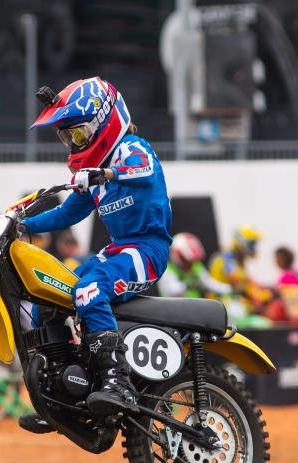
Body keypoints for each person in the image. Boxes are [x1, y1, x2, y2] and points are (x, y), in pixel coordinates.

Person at [18, 77, 171, 425]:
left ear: (105, 121)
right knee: (49, 295)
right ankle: (62, 395)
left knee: (88, 290)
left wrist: (105, 173)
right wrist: (22, 224)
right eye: (68, 137)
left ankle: (118, 382)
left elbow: (143, 170)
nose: (74, 143)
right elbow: (65, 214)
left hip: (147, 249)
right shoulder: (95, 173)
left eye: (79, 134)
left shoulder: (132, 148)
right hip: (117, 250)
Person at [158, 232, 231, 298]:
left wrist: (230, 289)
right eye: (187, 261)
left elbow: (209, 283)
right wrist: (190, 285)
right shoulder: (166, 268)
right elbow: (172, 290)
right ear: (177, 255)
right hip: (174, 307)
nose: (190, 265)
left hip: (195, 305)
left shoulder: (195, 265)